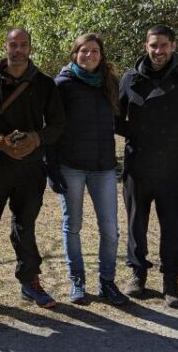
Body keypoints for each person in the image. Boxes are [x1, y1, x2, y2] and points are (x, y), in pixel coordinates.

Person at [0, 28, 65, 314]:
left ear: (30, 48)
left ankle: (29, 281)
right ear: (5, 46)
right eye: (13, 44)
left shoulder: (45, 84)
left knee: (26, 226)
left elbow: (57, 125)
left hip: (30, 168)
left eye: (23, 45)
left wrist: (35, 139)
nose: (18, 50)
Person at [116, 24, 178, 308]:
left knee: (172, 226)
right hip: (137, 166)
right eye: (153, 45)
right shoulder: (129, 80)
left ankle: (170, 281)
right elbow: (116, 119)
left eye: (164, 45)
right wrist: (136, 134)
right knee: (135, 225)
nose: (158, 51)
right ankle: (138, 274)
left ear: (173, 46)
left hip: (173, 168)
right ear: (146, 46)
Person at [48, 34, 128, 306]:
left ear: (101, 55)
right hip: (71, 166)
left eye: (95, 51)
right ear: (75, 54)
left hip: (103, 167)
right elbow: (52, 129)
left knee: (110, 229)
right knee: (73, 226)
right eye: (84, 51)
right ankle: (77, 281)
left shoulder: (109, 83)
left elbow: (120, 122)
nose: (89, 55)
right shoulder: (62, 85)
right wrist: (51, 168)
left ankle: (107, 281)